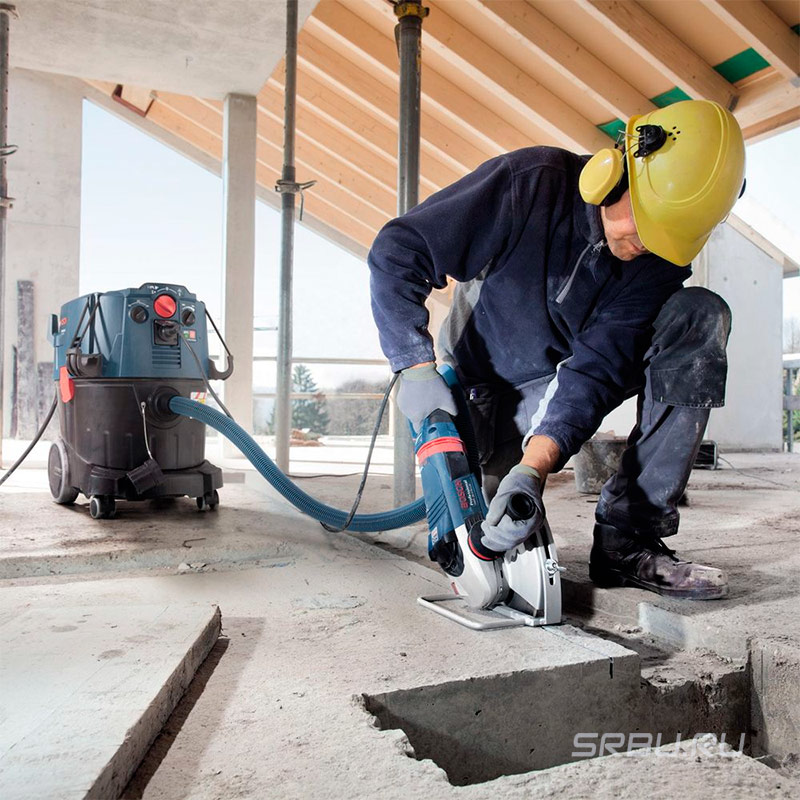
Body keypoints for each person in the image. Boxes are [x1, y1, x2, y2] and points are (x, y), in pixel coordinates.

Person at [368, 99, 745, 600]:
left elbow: (596, 367)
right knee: (481, 544)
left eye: (665, 238)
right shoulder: (532, 183)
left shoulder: (656, 260)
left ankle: (625, 542)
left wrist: (534, 469)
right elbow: (400, 250)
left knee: (699, 314)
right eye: (646, 224)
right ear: (614, 173)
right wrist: (414, 367)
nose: (649, 246)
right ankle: (492, 469)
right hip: (481, 395)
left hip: (563, 385)